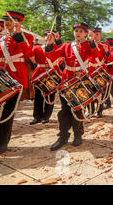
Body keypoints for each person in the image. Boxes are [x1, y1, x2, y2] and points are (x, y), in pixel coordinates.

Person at [45, 22, 99, 150]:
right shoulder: (67, 45)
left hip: (81, 82)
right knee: (64, 110)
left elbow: (95, 56)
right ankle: (63, 135)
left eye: (81, 31)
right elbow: (52, 56)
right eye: (76, 31)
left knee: (78, 109)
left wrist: (92, 43)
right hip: (66, 80)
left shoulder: (89, 46)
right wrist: (50, 44)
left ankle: (78, 134)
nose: (78, 33)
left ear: (86, 34)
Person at [0, 11, 33, 155]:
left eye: (11, 20)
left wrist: (18, 33)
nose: (7, 23)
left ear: (19, 22)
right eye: (6, 20)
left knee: (7, 112)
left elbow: (27, 53)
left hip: (14, 79)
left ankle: (2, 142)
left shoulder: (26, 37)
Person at [30, 30, 62, 125]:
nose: (48, 37)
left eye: (51, 35)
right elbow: (31, 58)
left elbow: (61, 59)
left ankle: (46, 116)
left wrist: (54, 42)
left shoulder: (57, 48)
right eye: (46, 35)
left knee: (50, 95)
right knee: (38, 96)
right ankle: (37, 117)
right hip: (39, 73)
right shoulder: (37, 48)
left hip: (52, 74)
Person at [87, 27, 110, 118]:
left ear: (100, 35)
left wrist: (107, 51)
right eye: (93, 34)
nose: (95, 36)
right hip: (90, 70)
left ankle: (99, 111)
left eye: (97, 34)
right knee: (90, 91)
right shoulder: (88, 44)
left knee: (101, 91)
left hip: (100, 70)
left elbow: (108, 58)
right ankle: (90, 110)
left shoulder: (105, 45)